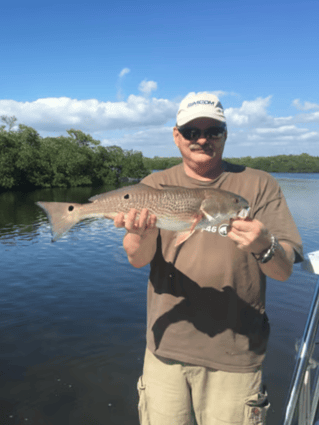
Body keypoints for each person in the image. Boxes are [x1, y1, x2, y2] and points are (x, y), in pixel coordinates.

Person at [114, 92, 303, 425]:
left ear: (225, 134)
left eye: (213, 131)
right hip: (165, 349)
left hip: (236, 354)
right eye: (191, 132)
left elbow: (284, 270)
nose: (202, 139)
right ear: (177, 136)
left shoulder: (258, 185)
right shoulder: (155, 185)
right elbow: (137, 260)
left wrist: (264, 244)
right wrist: (140, 234)